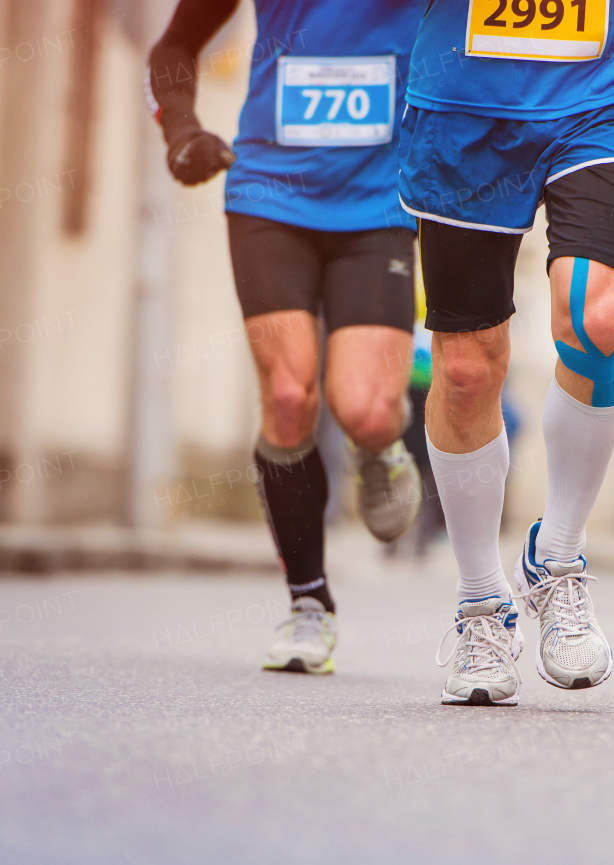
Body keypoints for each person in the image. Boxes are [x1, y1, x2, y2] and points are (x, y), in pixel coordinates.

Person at [397, 0, 614, 705]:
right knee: (464, 366)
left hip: (610, 84)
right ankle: (481, 603)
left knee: (599, 315)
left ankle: (556, 556)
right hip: (467, 99)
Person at [148, 0, 423, 674]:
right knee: (289, 395)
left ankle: (380, 445)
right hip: (270, 195)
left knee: (364, 405)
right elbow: (173, 48)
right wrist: (181, 128)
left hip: (382, 201)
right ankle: (309, 603)